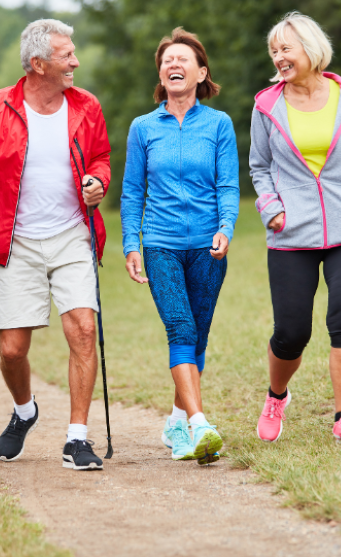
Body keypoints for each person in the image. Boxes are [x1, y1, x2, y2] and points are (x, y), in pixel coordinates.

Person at [0, 19, 111, 471]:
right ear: (38, 63)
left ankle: (77, 438)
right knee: (12, 351)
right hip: (14, 240)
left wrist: (97, 183)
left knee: (83, 327)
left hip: (70, 235)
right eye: (67, 55)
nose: (75, 62)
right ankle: (25, 410)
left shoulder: (86, 106)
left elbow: (100, 158)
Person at [250, 12, 341, 444]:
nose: (279, 57)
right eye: (274, 51)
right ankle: (276, 395)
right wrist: (271, 209)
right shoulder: (267, 105)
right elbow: (260, 167)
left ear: (310, 48)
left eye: (286, 48)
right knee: (292, 332)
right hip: (291, 232)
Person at [120, 27, 239, 464]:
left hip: (209, 246)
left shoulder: (219, 124)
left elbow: (228, 184)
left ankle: (176, 419)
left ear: (201, 72)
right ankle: (200, 424)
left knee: (198, 336)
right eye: (167, 59)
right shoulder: (143, 127)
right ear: (161, 73)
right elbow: (132, 192)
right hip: (161, 244)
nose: (173, 64)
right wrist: (131, 244)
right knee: (181, 329)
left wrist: (226, 226)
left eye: (183, 59)